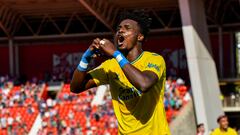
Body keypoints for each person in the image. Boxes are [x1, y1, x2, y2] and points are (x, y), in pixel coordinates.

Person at [70, 10, 171, 134]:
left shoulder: (154, 59)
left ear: (140, 36)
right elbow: (75, 87)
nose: (121, 31)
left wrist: (115, 54)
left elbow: (144, 84)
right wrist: (86, 58)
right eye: (119, 29)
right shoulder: (111, 66)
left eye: (127, 28)